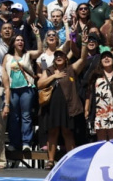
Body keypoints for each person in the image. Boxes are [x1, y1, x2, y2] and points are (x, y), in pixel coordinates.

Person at [37, 41, 87, 170]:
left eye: (61, 56)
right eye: (57, 56)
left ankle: (71, 159)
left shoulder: (71, 70)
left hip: (68, 107)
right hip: (52, 107)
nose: (59, 57)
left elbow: (82, 59)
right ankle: (50, 160)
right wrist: (54, 76)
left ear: (65, 58)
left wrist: (85, 44)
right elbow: (40, 84)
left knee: (67, 132)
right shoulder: (48, 71)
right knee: (52, 132)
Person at [2, 27, 42, 152]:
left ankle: (26, 143)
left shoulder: (28, 54)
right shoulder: (7, 57)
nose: (20, 42)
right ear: (13, 43)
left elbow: (40, 51)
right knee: (14, 117)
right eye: (18, 40)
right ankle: (14, 143)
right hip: (12, 90)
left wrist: (37, 36)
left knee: (26, 116)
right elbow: (3, 73)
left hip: (27, 89)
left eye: (22, 40)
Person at [84, 50, 113, 141]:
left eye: (109, 56)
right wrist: (86, 109)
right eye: (103, 57)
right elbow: (89, 94)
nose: (106, 58)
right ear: (100, 61)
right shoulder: (95, 76)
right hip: (99, 113)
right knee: (101, 141)